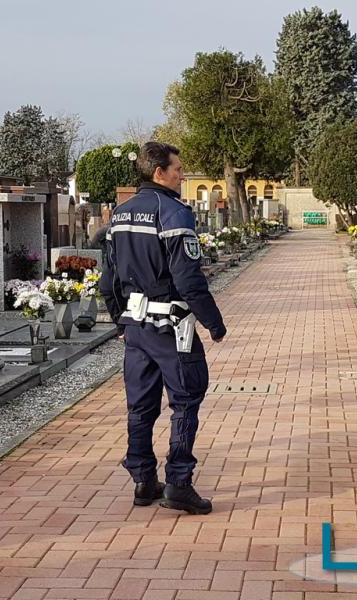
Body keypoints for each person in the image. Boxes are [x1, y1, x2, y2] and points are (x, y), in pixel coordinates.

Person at [101, 141, 226, 515]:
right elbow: (188, 278)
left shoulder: (120, 215)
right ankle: (179, 483)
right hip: (171, 327)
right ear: (159, 173)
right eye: (178, 170)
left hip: (136, 327)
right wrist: (214, 323)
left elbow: (108, 280)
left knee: (140, 405)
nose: (182, 175)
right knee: (186, 400)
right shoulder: (172, 213)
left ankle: (143, 481)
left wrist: (119, 321)